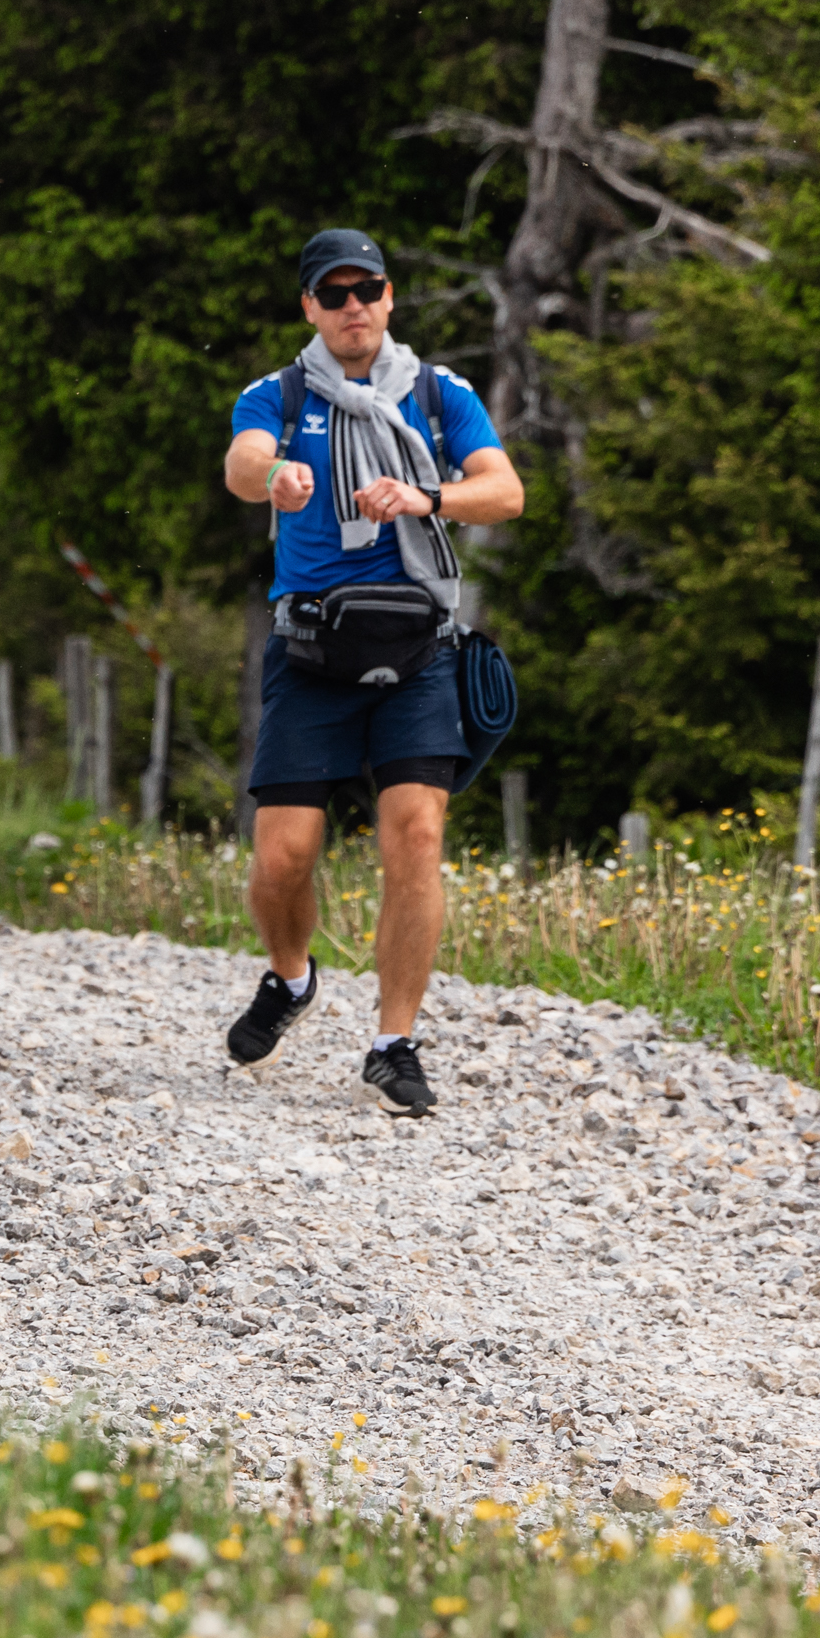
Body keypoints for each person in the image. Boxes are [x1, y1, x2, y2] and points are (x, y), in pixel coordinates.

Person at [220, 228, 524, 1115]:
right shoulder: (276, 394)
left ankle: (395, 1043)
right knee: (283, 857)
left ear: (390, 298)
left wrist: (427, 497)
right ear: (310, 307)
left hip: (420, 648)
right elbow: (241, 463)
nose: (355, 306)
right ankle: (291, 978)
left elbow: (504, 492)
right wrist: (277, 474)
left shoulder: (439, 394)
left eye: (369, 289)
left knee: (416, 836)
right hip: (311, 652)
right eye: (335, 293)